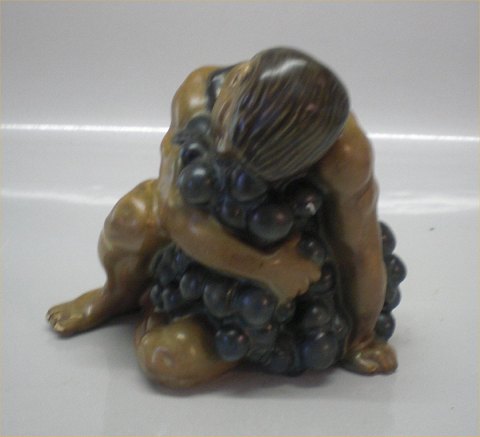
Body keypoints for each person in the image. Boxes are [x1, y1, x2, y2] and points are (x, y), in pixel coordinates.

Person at [47, 48, 397, 388]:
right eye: (224, 131)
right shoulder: (196, 95)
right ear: (237, 79)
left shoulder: (346, 157)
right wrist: (268, 268)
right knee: (131, 218)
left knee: (165, 363)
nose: (224, 151)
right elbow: (173, 211)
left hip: (278, 285)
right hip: (233, 252)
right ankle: (117, 295)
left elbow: (360, 251)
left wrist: (361, 339)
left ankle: (184, 320)